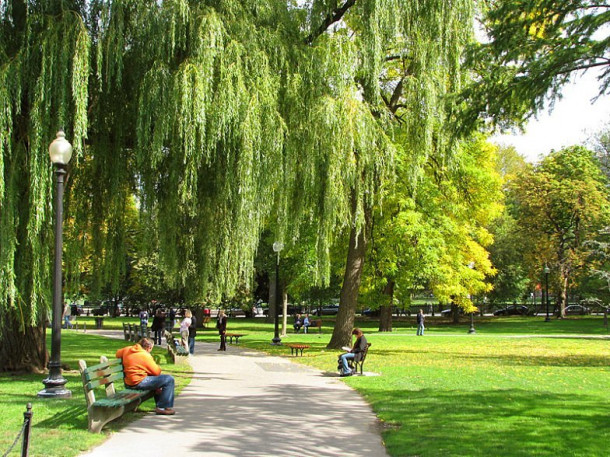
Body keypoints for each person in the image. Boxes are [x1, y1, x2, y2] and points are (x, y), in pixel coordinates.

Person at [115, 338, 176, 415]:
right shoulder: (145, 355)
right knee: (169, 379)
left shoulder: (128, 349)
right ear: (149, 348)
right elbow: (157, 372)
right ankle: (161, 408)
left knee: (159, 382)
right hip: (138, 382)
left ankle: (163, 406)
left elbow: (117, 354)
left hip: (129, 382)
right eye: (151, 349)